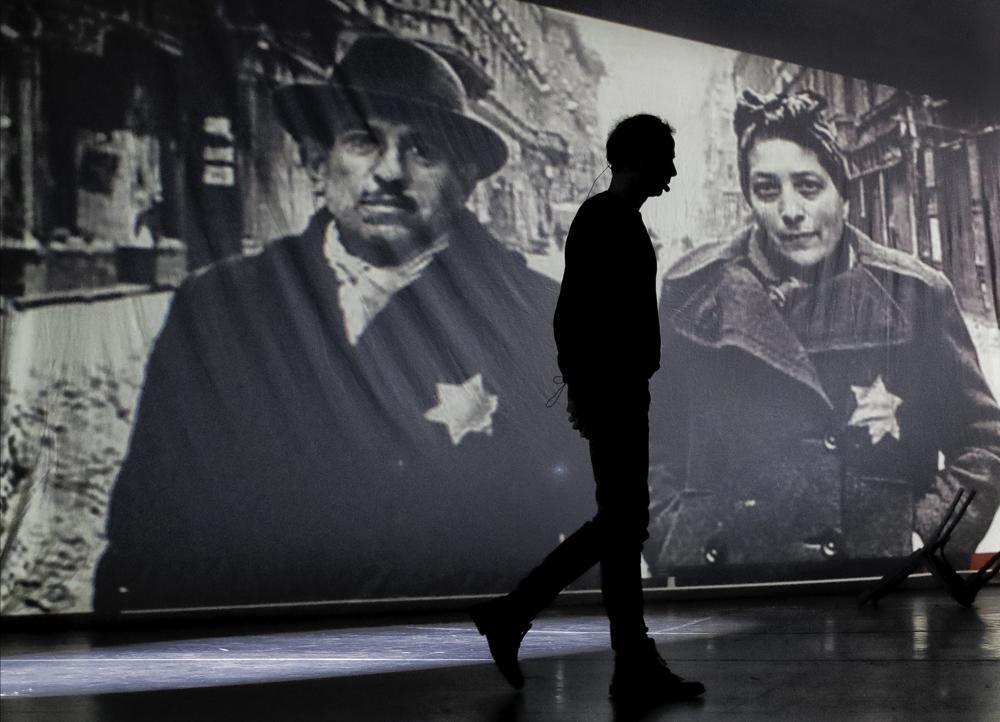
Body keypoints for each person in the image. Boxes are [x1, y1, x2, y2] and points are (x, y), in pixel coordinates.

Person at [93, 35, 594, 612]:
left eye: (423, 151)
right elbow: (147, 530)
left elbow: (586, 535)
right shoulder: (218, 308)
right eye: (362, 141)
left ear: (466, 180)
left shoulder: (540, 320)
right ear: (315, 159)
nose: (388, 173)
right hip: (261, 677)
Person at [648, 89, 1000, 578]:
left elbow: (984, 440)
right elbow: (648, 439)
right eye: (767, 189)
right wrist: (676, 535)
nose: (790, 210)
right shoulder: (693, 292)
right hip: (731, 577)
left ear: (844, 192)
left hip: (873, 579)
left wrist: (927, 535)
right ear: (749, 197)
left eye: (809, 186)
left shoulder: (915, 294)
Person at [471, 114, 706, 707]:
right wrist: (583, 388)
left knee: (623, 529)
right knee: (621, 525)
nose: (673, 171)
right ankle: (522, 618)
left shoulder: (617, 220)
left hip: (622, 390)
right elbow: (571, 315)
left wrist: (587, 385)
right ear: (636, 158)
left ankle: (629, 662)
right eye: (666, 158)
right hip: (615, 392)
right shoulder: (603, 219)